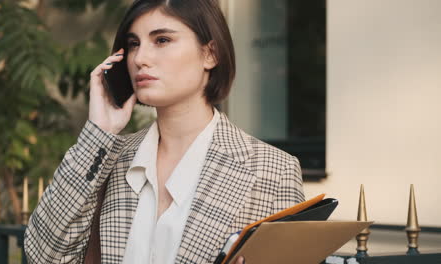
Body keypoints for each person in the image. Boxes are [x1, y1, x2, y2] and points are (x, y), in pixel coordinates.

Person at [24, 0, 305, 263]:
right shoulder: (107, 157)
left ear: (210, 53)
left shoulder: (273, 171)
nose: (140, 58)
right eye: (134, 44)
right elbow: (42, 255)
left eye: (162, 40)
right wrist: (100, 130)